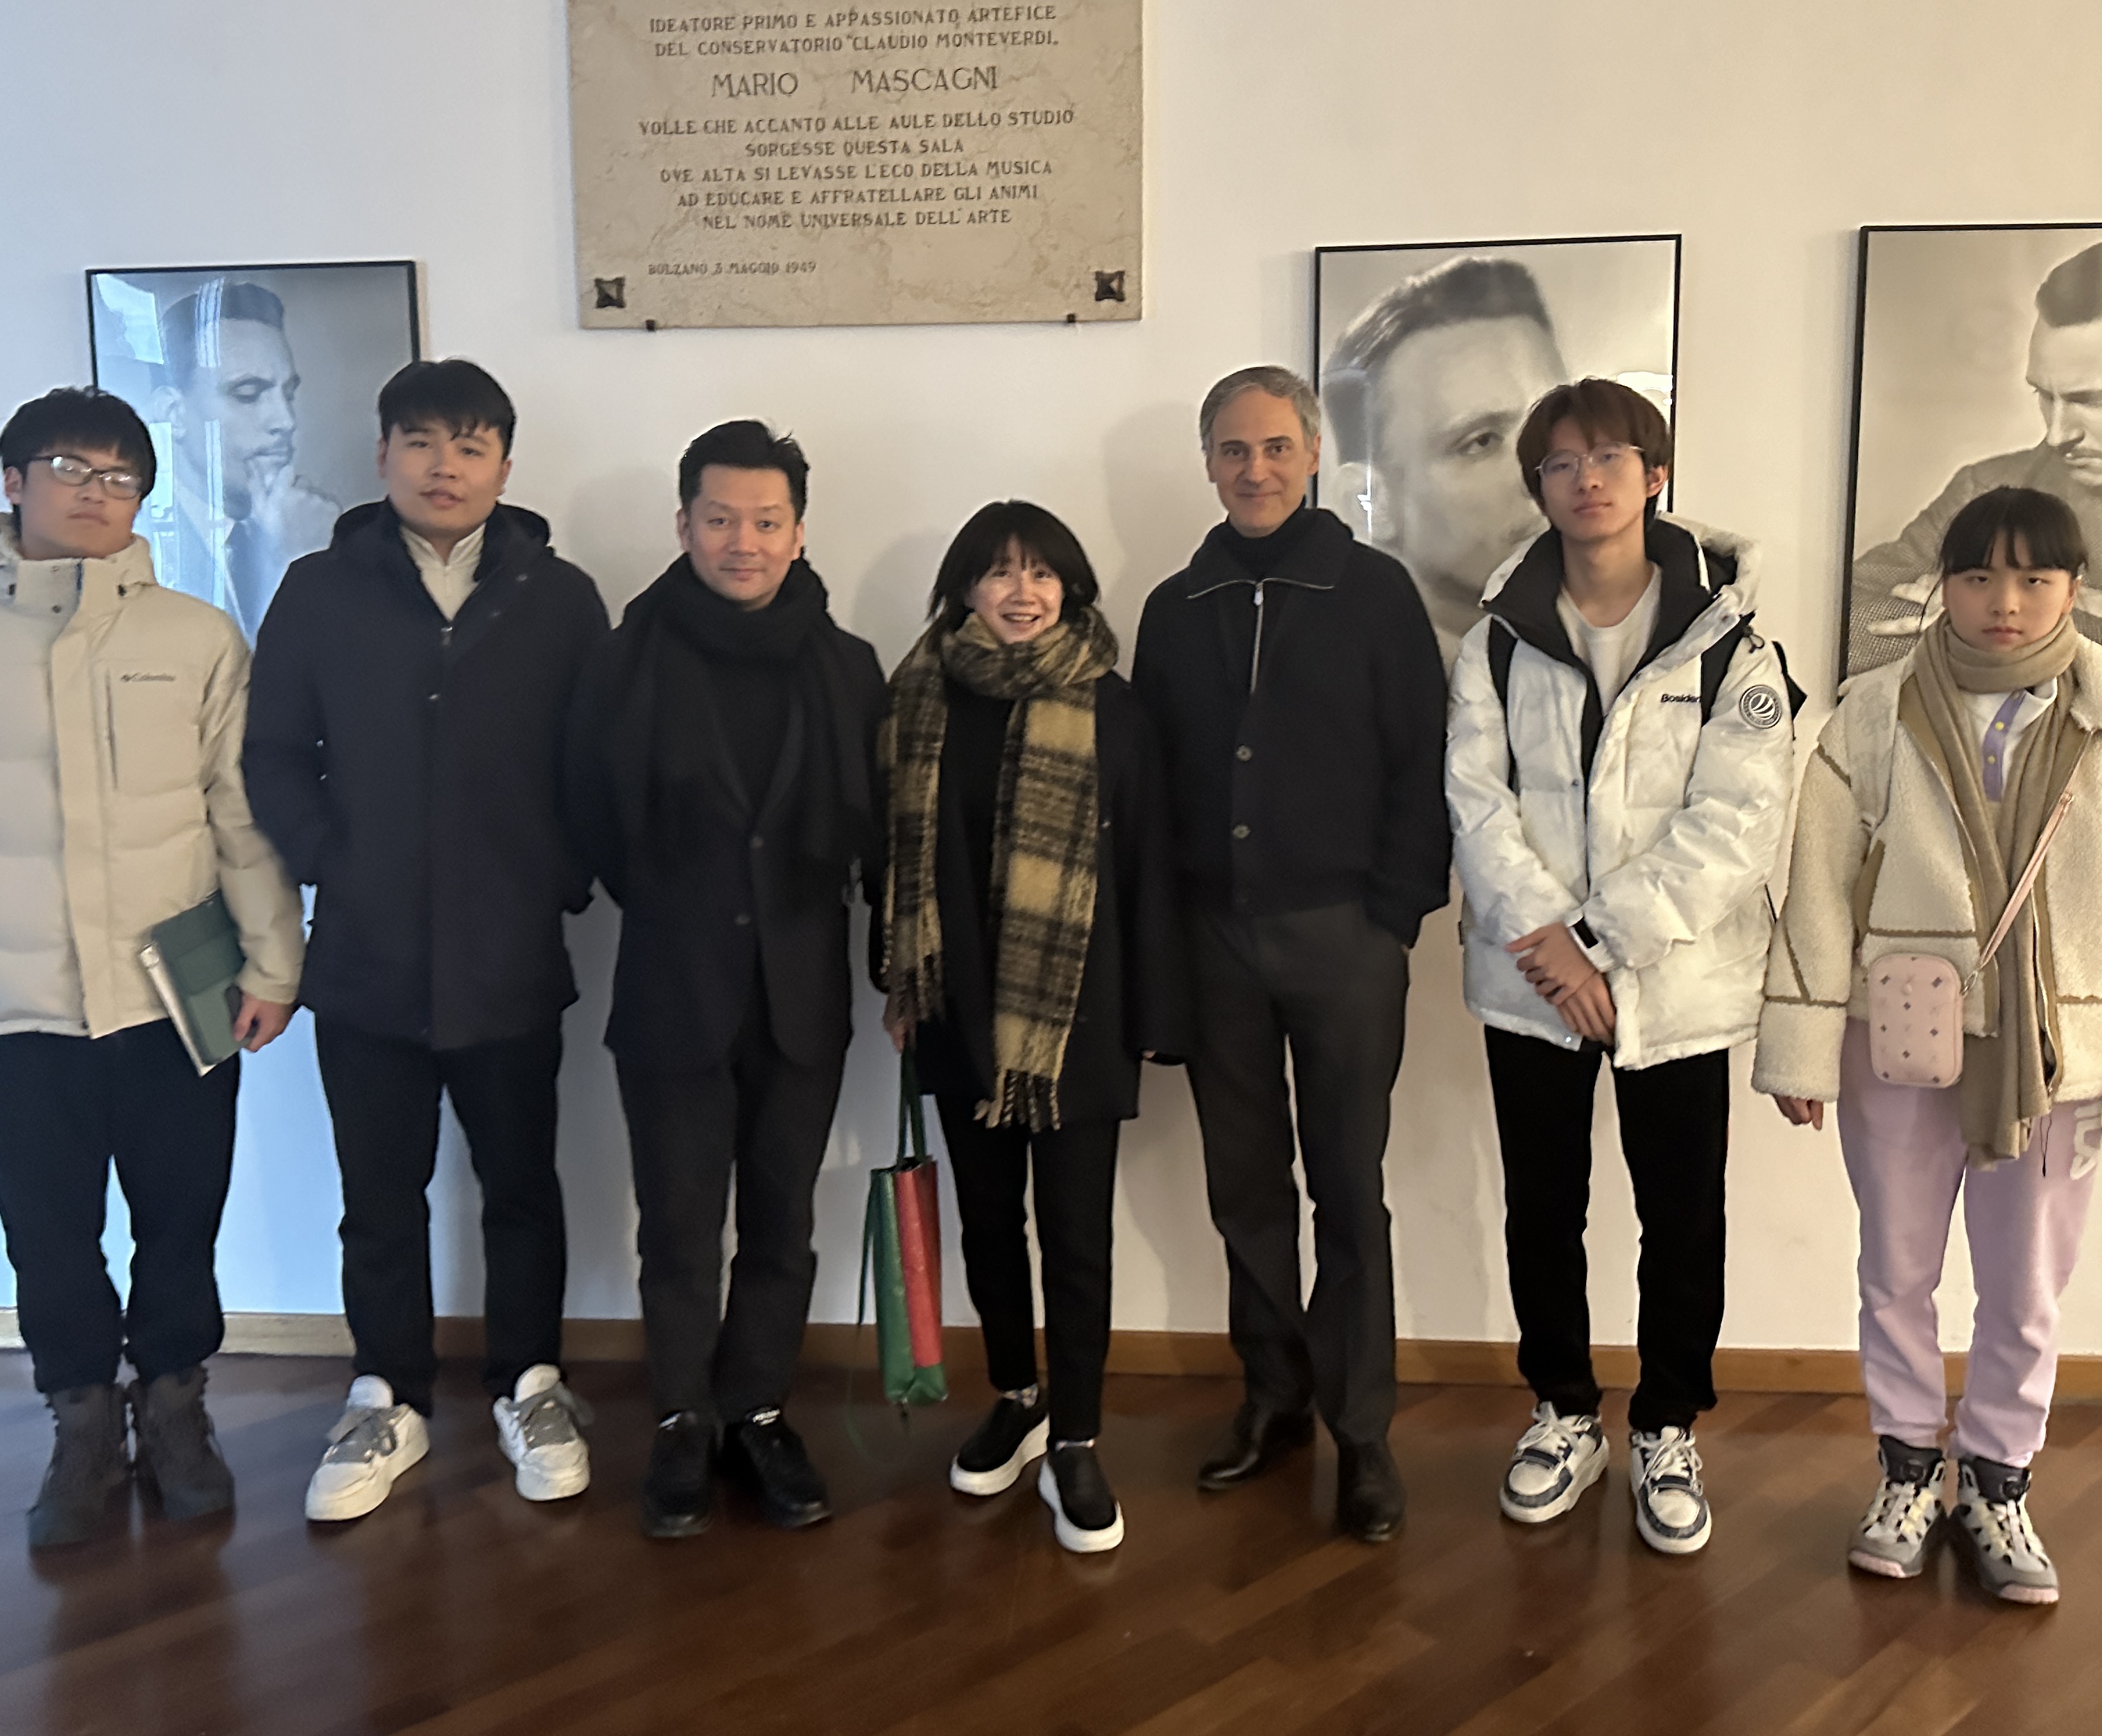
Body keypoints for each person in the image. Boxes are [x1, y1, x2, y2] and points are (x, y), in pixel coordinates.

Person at [0, 388, 305, 1549]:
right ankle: (82, 1419)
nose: (97, 492)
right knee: (47, 1231)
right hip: (22, 998)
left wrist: (274, 962)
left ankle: (177, 1406)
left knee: (182, 1218)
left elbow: (241, 811)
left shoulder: (197, 636)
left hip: (183, 988)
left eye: (121, 476)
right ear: (13, 481)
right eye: (71, 468)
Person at [1756, 485, 2102, 1606]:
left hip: (2060, 1054)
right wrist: (1801, 1048)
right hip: (1898, 1041)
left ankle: (1999, 1481)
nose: (2003, 602)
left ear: (2073, 588)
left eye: (2031, 578)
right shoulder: (1874, 713)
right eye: (1977, 577)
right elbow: (1816, 888)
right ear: (1945, 585)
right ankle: (1907, 1469)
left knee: (2026, 1284)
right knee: (1894, 1268)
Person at [244, 358, 612, 1524]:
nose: (444, 466)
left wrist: (555, 878)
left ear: (504, 464)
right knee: (378, 1196)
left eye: (469, 444)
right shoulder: (319, 590)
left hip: (509, 955)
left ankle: (530, 1382)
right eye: (420, 441)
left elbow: (594, 764)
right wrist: (336, 859)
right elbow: (271, 755)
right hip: (366, 957)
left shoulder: (559, 597)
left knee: (522, 1187)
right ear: (382, 455)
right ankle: (386, 1393)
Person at [1445, 379, 1798, 1556]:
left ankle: (1665, 1424)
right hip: (1531, 986)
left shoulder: (1732, 639)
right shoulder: (1497, 637)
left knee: (1681, 1216)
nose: (1586, 479)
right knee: (1543, 1209)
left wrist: (1596, 941)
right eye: (1561, 462)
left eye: (1609, 456)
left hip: (1675, 984)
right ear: (1538, 486)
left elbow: (1737, 823)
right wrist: (1553, 949)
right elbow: (1475, 802)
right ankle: (1561, 1410)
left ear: (1654, 474)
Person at [1131, 365, 1449, 1544]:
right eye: (1232, 449)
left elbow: (1422, 759)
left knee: (1347, 1188)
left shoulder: (1373, 592)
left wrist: (1391, 912)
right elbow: (1153, 784)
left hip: (1344, 937)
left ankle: (1362, 1432)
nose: (1254, 469)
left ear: (1314, 454)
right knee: (1245, 1186)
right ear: (1208, 463)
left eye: (1274, 447)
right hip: (1215, 938)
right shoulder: (1176, 606)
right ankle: (1272, 1397)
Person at [567, 420, 886, 1540]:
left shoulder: (848, 667)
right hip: (674, 986)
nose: (741, 542)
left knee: (783, 1222)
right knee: (678, 1224)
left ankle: (756, 1409)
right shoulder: (624, 661)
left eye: (765, 520)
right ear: (683, 524)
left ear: (798, 531)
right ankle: (680, 1419)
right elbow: (591, 816)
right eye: (718, 519)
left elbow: (873, 831)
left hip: (802, 994)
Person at [877, 501, 1189, 1555]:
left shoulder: (1111, 705)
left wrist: (1156, 1015)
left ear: (1071, 589)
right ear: (964, 588)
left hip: (1076, 1019)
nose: (1022, 592)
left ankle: (1078, 1439)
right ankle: (1017, 1398)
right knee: (987, 1225)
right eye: (1000, 572)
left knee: (1076, 1237)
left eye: (1042, 573)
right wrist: (898, 984)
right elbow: (888, 861)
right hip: (956, 1008)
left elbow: (1149, 865)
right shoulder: (918, 696)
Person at [1845, 237, 2102, 709]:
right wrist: (2035, 621)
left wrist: (2004, 621)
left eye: (2094, 400)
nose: (2057, 434)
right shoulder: (1988, 489)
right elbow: (1847, 629)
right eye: (2045, 396)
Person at [1323, 255, 1571, 659]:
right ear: (1370, 501)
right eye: (1481, 442)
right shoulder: (1332, 679)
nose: (1542, 470)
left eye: (1553, 425)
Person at [150, 280, 341, 630]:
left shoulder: (322, 530)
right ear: (174, 413)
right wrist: (299, 565)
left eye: (288, 394)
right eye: (248, 394)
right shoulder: (143, 545)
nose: (286, 421)